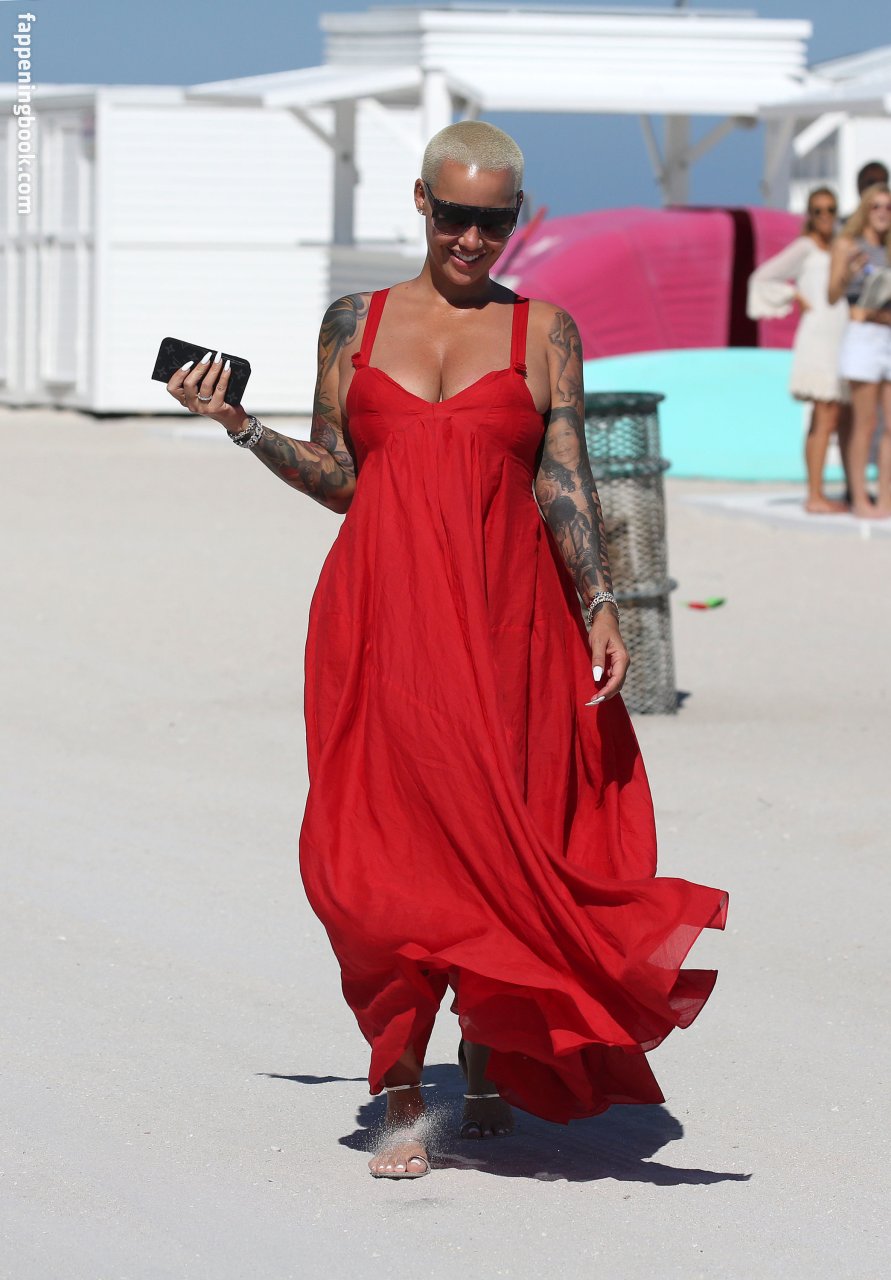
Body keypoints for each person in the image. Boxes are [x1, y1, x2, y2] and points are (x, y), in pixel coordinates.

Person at [167, 121, 728, 1180]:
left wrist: (599, 600)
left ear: (516, 217)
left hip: (508, 620)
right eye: (457, 215)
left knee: (499, 835)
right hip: (380, 614)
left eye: (494, 221)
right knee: (377, 851)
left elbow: (563, 478)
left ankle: (480, 1052)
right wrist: (240, 423)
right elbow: (342, 478)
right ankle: (400, 1082)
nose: (473, 239)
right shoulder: (354, 322)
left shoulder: (544, 330)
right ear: (422, 202)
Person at [747, 187, 851, 513]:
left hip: (842, 336)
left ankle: (844, 489)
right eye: (818, 210)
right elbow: (762, 277)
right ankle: (815, 495)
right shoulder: (805, 247)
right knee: (824, 415)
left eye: (830, 209)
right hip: (818, 336)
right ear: (809, 214)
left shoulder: (841, 246)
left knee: (842, 416)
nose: (825, 216)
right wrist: (793, 296)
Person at [828, 183, 891, 518]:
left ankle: (886, 499)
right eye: (876, 205)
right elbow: (831, 295)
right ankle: (860, 498)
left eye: (889, 207)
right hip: (864, 339)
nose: (882, 213)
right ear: (865, 208)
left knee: (889, 427)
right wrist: (849, 273)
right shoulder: (848, 245)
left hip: (887, 332)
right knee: (864, 423)